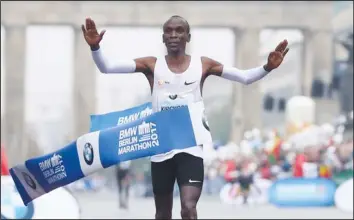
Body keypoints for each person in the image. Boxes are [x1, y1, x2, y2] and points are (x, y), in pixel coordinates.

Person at [82, 15, 289, 219]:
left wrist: (267, 68)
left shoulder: (203, 65)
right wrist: (95, 48)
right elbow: (106, 67)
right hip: (161, 148)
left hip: (190, 146)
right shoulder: (152, 65)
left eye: (179, 31)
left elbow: (244, 77)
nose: (173, 35)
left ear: (188, 37)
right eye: (169, 31)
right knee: (163, 214)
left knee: (188, 208)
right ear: (163, 38)